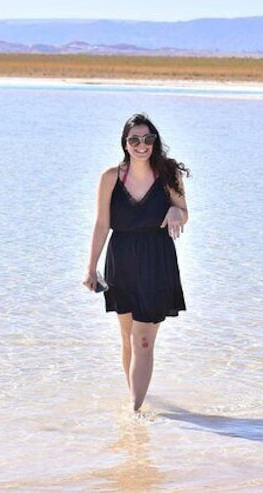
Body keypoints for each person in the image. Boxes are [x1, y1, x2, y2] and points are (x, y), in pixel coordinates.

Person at [83, 113, 190, 412]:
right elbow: (102, 224)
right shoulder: (110, 178)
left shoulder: (168, 174)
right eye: (134, 140)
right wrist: (91, 268)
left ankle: (134, 411)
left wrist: (174, 213)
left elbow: (184, 212)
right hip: (121, 260)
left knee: (143, 340)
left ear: (154, 141)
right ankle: (136, 399)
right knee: (128, 338)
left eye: (147, 139)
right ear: (125, 144)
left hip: (158, 261)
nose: (141, 145)